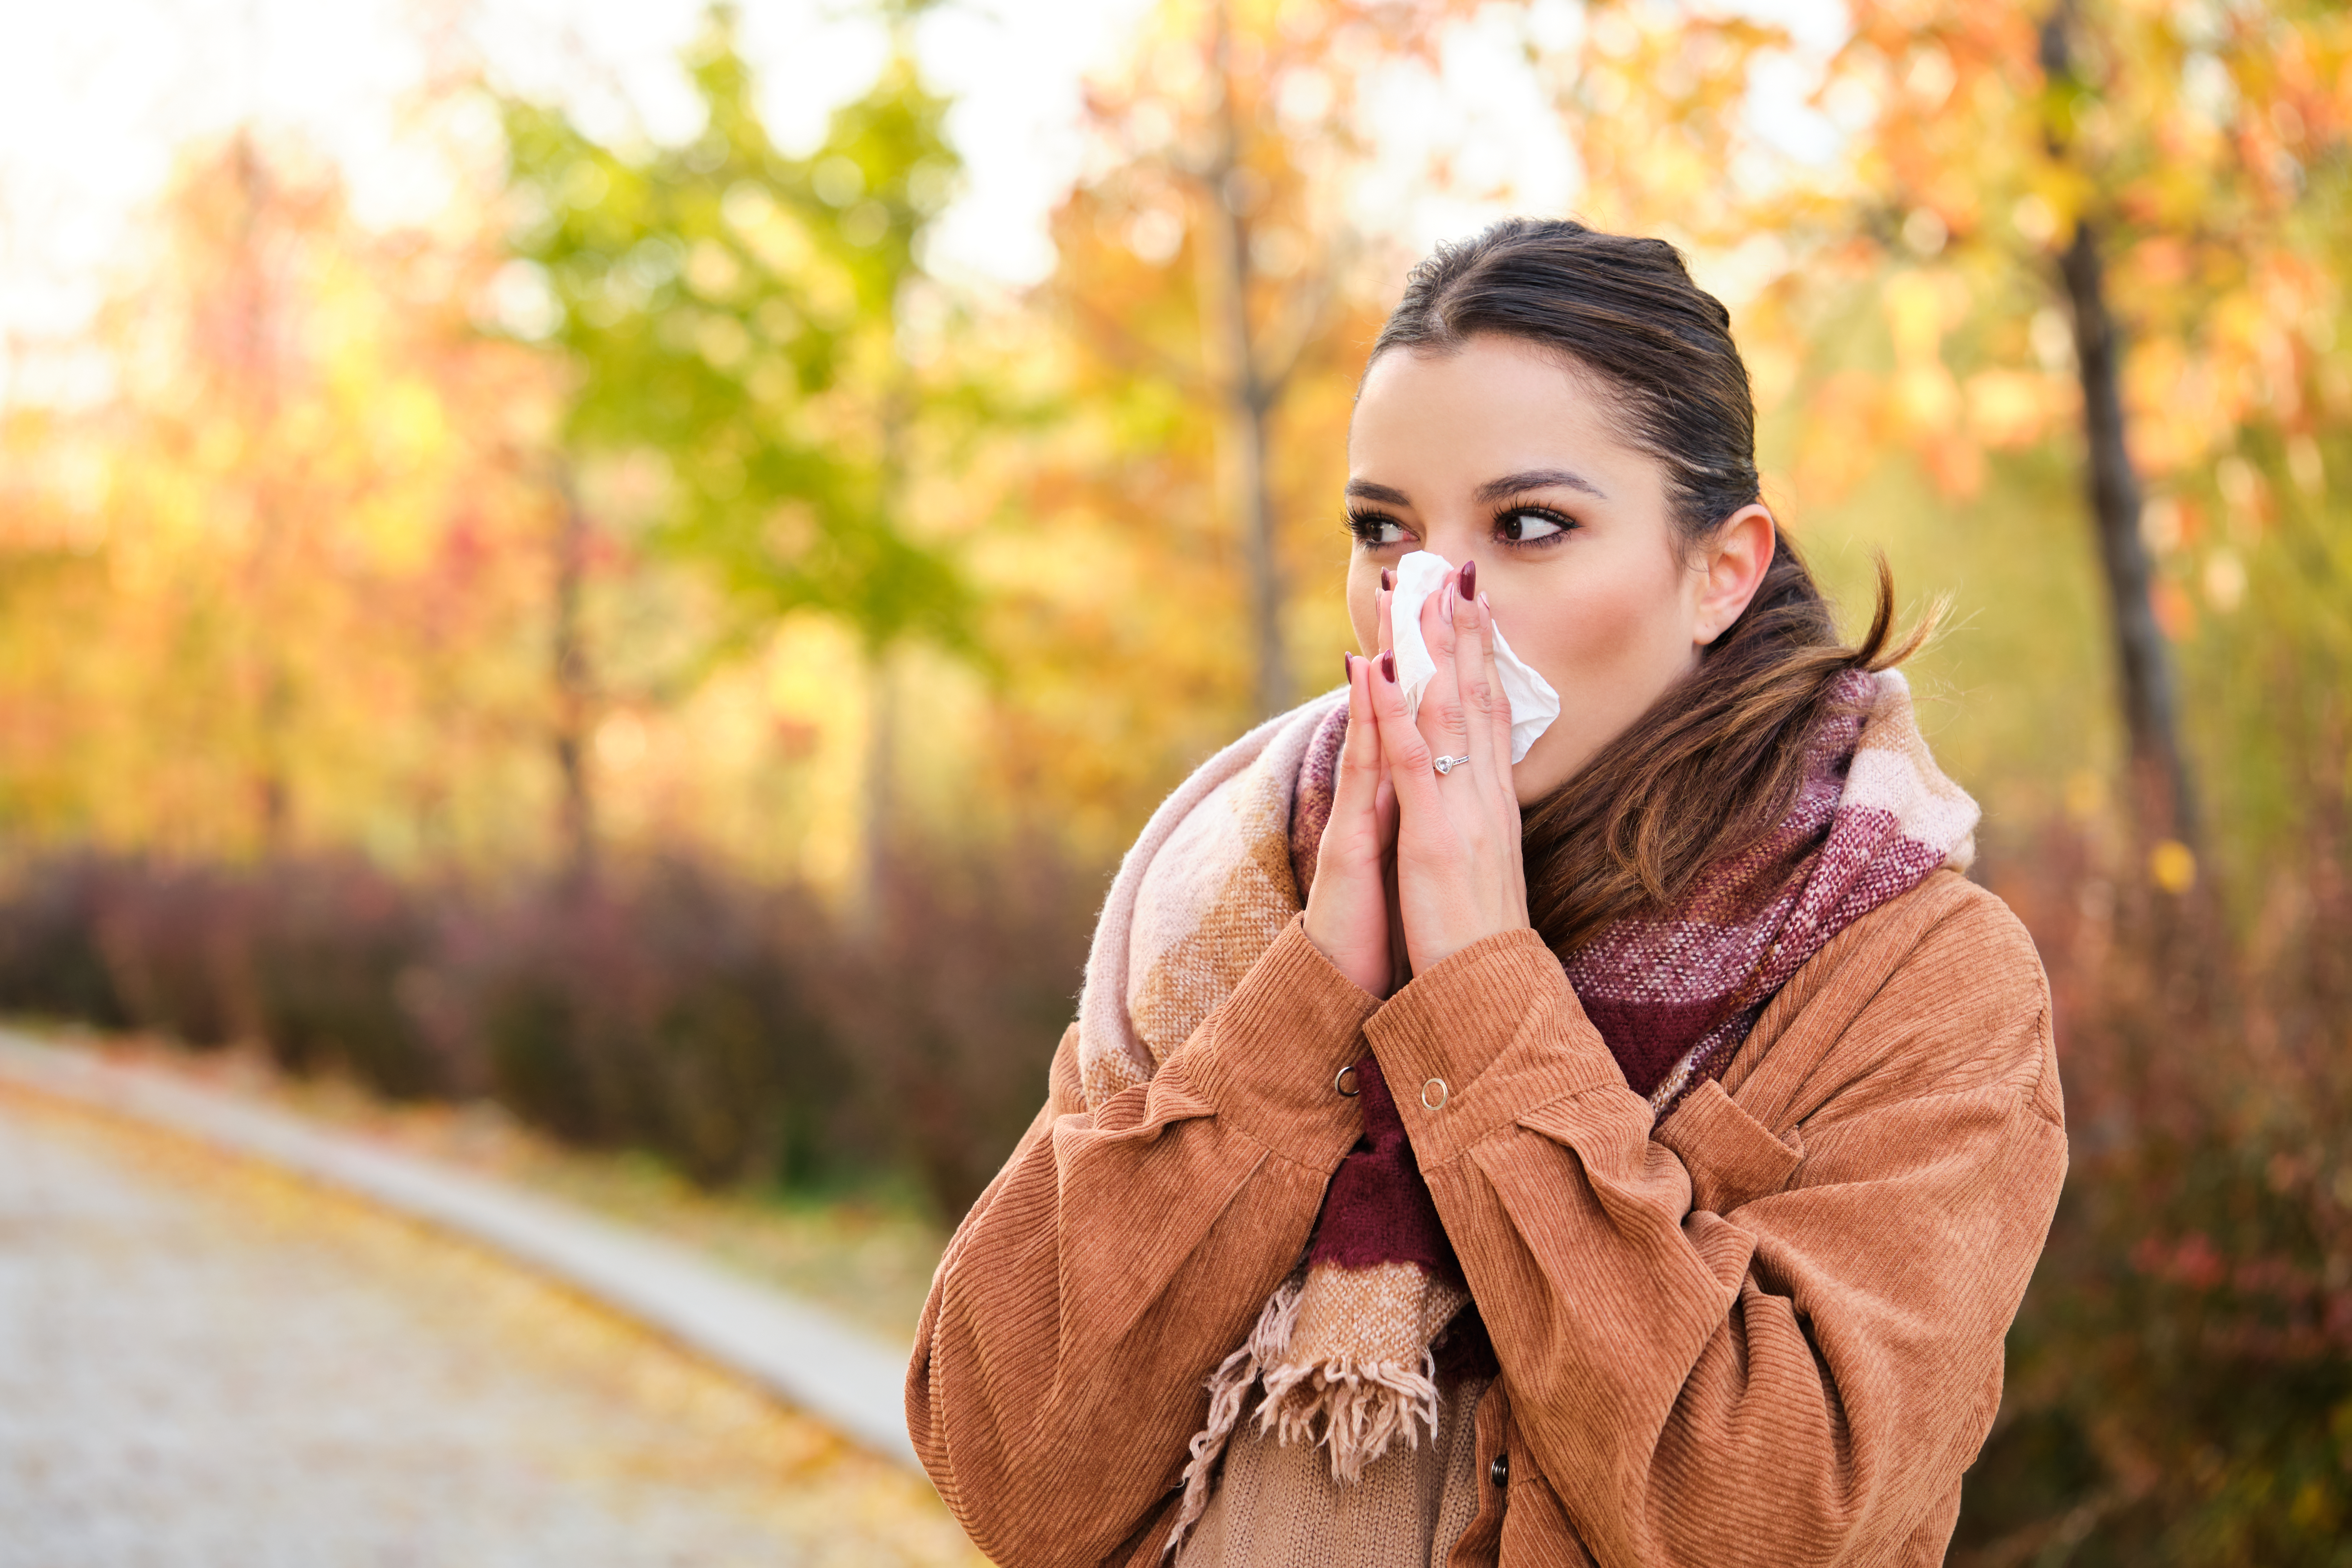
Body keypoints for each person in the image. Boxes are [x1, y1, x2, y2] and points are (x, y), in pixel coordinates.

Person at [906, 218, 2066, 1568]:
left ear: (1720, 573)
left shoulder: (1917, 973)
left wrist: (1478, 990)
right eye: (1380, 529)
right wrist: (1315, 992)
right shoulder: (1234, 892)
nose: (1425, 604)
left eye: (1530, 526)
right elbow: (1009, 1476)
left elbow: (1765, 1515)